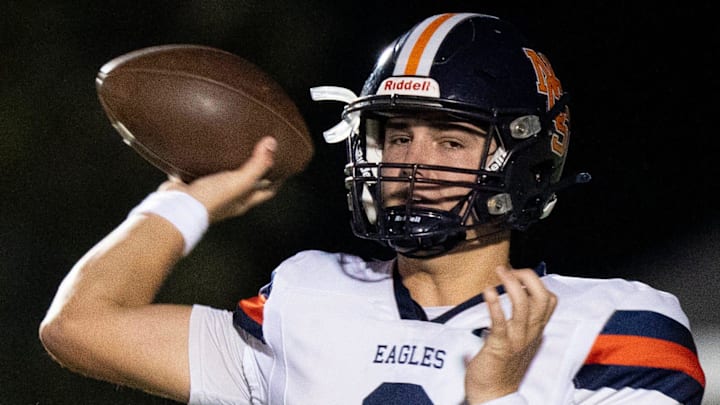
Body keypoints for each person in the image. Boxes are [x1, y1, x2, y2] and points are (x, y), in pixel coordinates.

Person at [39, 12, 705, 405]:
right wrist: (186, 196)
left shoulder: (619, 329)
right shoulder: (308, 294)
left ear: (525, 159)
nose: (413, 166)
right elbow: (82, 324)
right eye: (396, 135)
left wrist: (496, 393)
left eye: (450, 139)